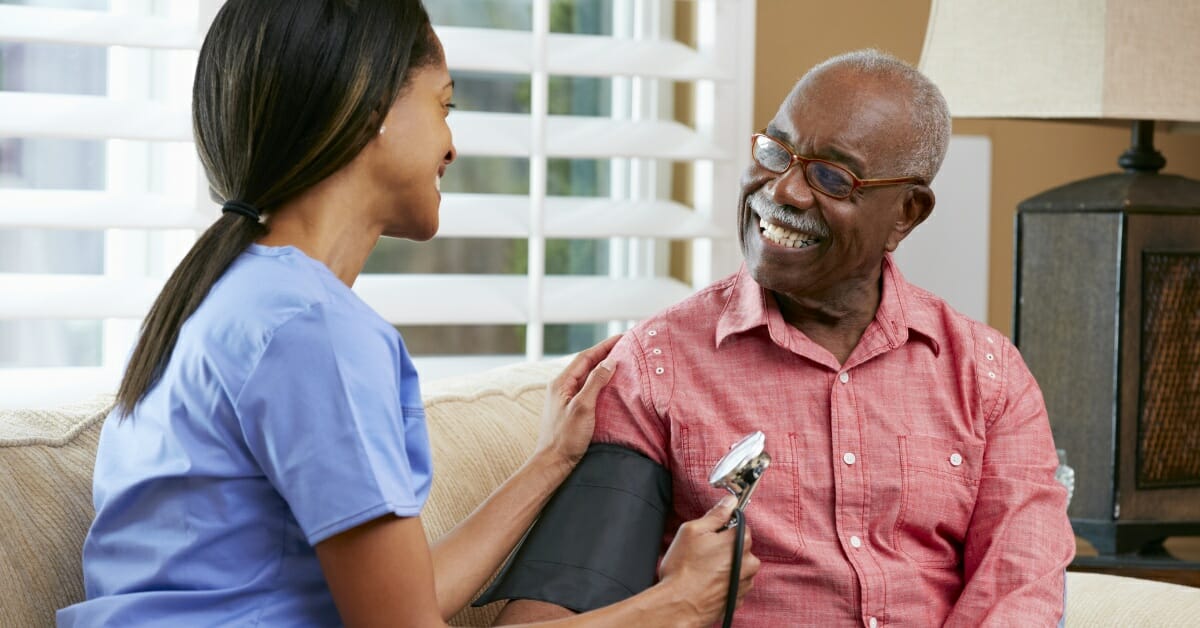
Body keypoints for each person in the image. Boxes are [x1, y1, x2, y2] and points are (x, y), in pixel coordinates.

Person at [56, 1, 759, 626]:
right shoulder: (311, 331)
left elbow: (406, 597)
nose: (452, 145)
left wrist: (550, 461)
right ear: (371, 109)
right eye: (443, 104)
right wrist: (674, 607)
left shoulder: (230, 299)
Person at [493, 49, 1076, 627]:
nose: (785, 191)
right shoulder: (654, 369)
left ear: (907, 213)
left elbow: (1019, 594)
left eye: (831, 176)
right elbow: (556, 608)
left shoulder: (988, 376)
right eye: (775, 151)